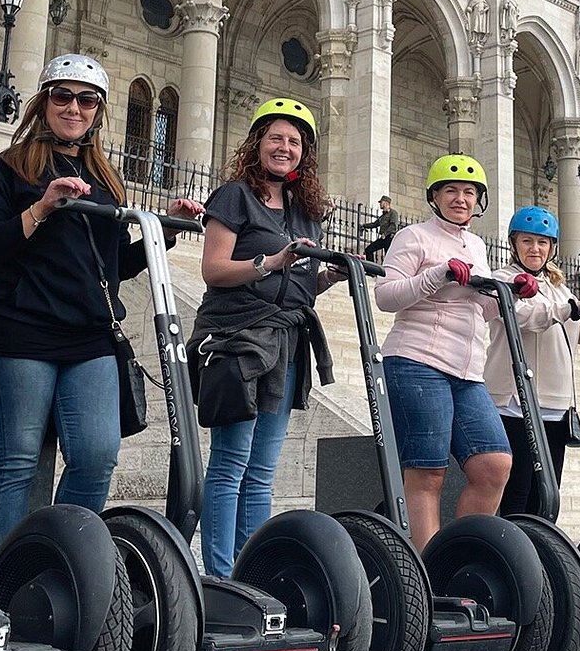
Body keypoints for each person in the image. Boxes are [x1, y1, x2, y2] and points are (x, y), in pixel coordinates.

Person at [0, 53, 201, 561]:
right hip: (15, 329)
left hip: (89, 336)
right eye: (63, 96)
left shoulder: (107, 179)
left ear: (99, 110)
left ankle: (60, 560)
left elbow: (116, 266)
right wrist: (42, 207)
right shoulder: (9, 167)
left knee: (96, 456)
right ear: (44, 101)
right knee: (17, 460)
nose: (74, 107)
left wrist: (170, 230)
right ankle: (1, 571)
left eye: (87, 99)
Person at [189, 98, 341, 576]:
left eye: (295, 142)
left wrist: (325, 279)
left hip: (287, 345)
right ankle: (218, 573)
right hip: (237, 339)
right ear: (257, 143)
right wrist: (272, 261)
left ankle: (249, 574)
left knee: (261, 472)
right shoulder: (235, 195)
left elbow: (296, 286)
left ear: (305, 153)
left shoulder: (307, 213)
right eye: (276, 137)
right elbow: (213, 270)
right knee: (231, 462)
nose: (285, 147)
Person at [375, 154, 511, 550]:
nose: (460, 198)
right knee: (428, 473)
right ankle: (427, 569)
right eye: (450, 190)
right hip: (417, 361)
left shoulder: (476, 245)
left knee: (493, 465)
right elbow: (386, 295)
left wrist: (508, 295)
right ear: (434, 196)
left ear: (479, 201)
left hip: (467, 370)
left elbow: (478, 307)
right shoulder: (413, 236)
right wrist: (439, 274)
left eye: (469, 192)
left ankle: (456, 555)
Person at [485, 205, 580, 517]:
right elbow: (523, 317)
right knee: (519, 491)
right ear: (514, 244)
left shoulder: (557, 286)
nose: (535, 249)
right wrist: (569, 308)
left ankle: (543, 555)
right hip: (515, 400)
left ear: (552, 247)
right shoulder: (503, 280)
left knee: (548, 491)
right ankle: (513, 558)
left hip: (556, 404)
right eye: (527, 241)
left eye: (542, 242)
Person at [358, 194, 398, 260]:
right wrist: (364, 225)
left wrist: (385, 233)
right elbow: (374, 224)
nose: (380, 204)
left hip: (389, 237)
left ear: (386, 203)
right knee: (369, 250)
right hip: (383, 238)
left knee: (388, 255)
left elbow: (393, 225)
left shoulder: (393, 213)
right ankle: (371, 269)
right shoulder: (383, 216)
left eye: (381, 202)